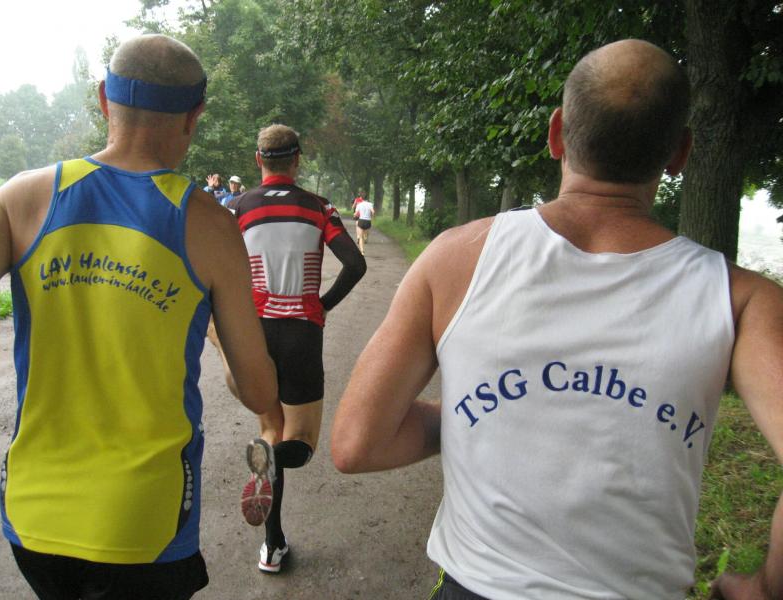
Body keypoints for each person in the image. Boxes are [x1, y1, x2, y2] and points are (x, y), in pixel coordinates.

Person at [331, 39, 783, 600]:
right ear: (680, 153)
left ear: (556, 134)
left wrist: (477, 419)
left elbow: (357, 444)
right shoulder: (742, 299)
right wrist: (766, 588)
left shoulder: (456, 258)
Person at [0, 34, 279, 600]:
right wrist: (219, 339)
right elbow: (260, 391)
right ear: (194, 115)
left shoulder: (20, 199)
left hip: (33, 517)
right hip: (145, 523)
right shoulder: (211, 226)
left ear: (104, 99)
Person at [213, 123, 366, 574]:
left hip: (255, 332)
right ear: (297, 160)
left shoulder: (235, 207)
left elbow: (213, 270)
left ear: (258, 160)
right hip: (301, 333)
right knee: (300, 443)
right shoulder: (319, 207)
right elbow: (355, 264)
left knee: (271, 430)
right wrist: (322, 305)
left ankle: (272, 545)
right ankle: (271, 470)